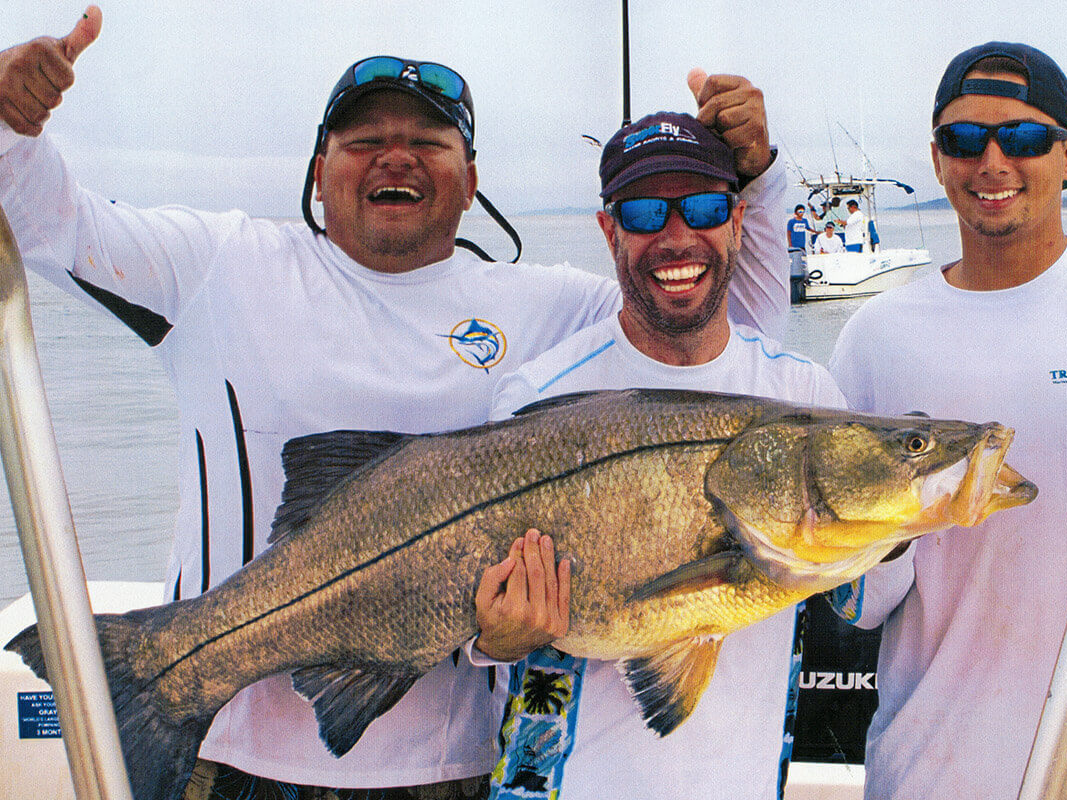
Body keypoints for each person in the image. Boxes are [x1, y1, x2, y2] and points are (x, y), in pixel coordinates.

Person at [0, 7, 791, 799]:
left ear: (472, 179)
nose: (396, 158)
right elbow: (53, 225)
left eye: (428, 142)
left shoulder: (547, 306)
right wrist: (11, 123)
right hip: (233, 756)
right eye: (365, 141)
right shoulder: (221, 266)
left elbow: (726, 358)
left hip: (451, 768)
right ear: (319, 169)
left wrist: (760, 175)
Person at [827, 41, 1067, 800]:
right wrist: (901, 519)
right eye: (965, 140)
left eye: (1024, 139)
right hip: (930, 772)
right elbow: (856, 607)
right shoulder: (876, 334)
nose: (993, 161)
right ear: (937, 160)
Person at [471, 110, 844, 800]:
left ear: (737, 221)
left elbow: (865, 599)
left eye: (703, 208)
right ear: (609, 231)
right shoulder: (535, 399)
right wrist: (491, 638)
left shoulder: (802, 393)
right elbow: (474, 617)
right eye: (645, 214)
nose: (678, 238)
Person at [787, 204, 812, 301]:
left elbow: (809, 229)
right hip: (794, 246)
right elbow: (788, 233)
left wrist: (817, 232)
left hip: (802, 246)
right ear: (796, 212)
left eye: (803, 212)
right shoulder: (791, 221)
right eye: (800, 211)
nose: (801, 213)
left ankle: (806, 278)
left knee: (804, 262)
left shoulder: (805, 221)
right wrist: (790, 244)